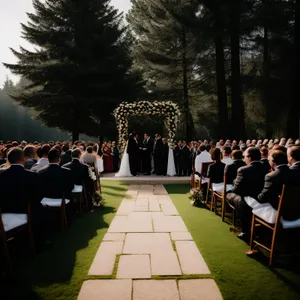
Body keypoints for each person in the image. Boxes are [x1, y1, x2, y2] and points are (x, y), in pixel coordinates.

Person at [226, 147, 268, 240]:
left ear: (249, 157)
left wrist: (234, 183)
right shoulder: (267, 167)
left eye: (244, 156)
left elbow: (236, 190)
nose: (244, 158)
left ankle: (245, 230)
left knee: (232, 197)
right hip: (264, 199)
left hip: (250, 199)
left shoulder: (243, 170)